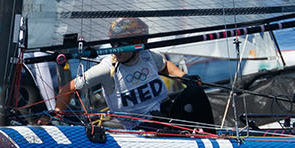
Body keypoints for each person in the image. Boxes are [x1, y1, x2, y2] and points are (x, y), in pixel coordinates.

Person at [54, 17, 211, 129]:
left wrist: (184, 77)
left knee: (195, 92)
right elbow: (69, 87)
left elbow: (164, 66)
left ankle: (213, 137)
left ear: (137, 44)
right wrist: (58, 115)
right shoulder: (107, 68)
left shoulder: (147, 56)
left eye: (122, 44)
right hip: (141, 128)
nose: (116, 48)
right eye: (113, 43)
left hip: (165, 114)